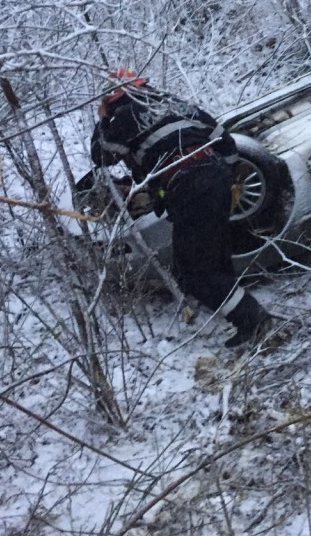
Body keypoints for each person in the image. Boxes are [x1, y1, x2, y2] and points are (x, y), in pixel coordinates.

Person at [91, 68, 273, 348]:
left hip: (190, 186)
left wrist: (103, 119)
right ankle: (247, 321)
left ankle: (255, 321)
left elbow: (101, 154)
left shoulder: (125, 117)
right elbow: (224, 140)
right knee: (214, 258)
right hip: (216, 178)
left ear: (115, 99)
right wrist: (225, 178)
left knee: (193, 271)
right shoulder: (175, 103)